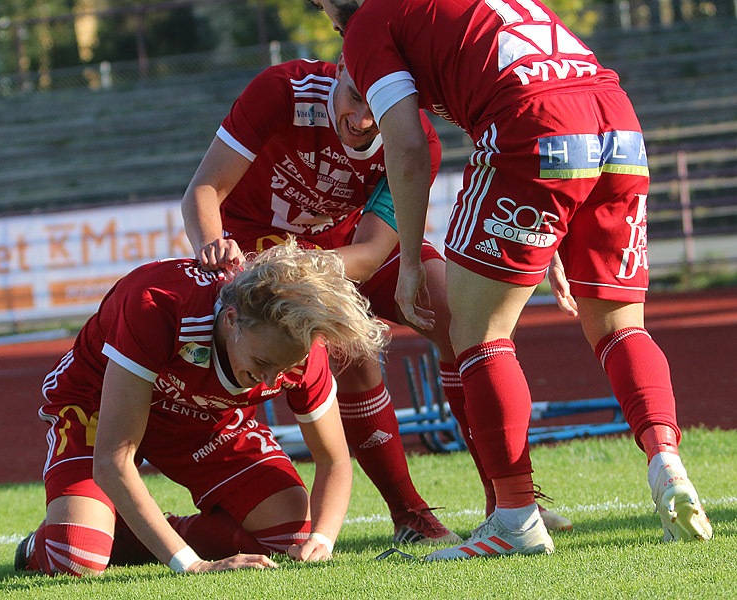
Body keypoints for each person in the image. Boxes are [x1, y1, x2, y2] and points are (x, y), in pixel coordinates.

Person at [309, 0, 714, 560]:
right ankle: (665, 458)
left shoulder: (369, 21)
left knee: (477, 333)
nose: (326, 14)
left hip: (532, 129)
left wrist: (404, 261)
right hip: (615, 123)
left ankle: (516, 517)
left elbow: (405, 144)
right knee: (621, 327)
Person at [180, 55, 570, 544]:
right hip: (260, 246)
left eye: (378, 107)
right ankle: (410, 515)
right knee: (348, 352)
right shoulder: (284, 89)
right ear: (339, 73)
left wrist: (305, 265)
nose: (362, 120)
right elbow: (203, 190)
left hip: (349, 246)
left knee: (457, 314)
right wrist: (214, 250)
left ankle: (508, 502)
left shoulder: (414, 140)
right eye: (354, 97)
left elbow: (367, 255)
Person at [13, 240, 389, 576]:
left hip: (207, 422)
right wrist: (191, 563)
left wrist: (322, 539)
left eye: (284, 368)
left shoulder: (305, 351)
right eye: (262, 362)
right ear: (230, 321)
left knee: (291, 535)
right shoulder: (160, 304)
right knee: (76, 555)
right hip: (100, 405)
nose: (268, 380)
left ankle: (131, 535)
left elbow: (334, 459)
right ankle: (41, 544)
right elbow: (114, 458)